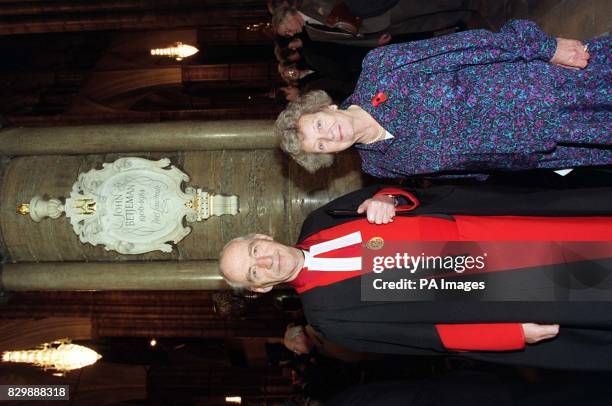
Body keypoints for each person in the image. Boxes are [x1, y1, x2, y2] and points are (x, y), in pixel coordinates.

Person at [219, 183, 612, 370]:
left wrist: (387, 198)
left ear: (262, 237)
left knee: (590, 229)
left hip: (488, 227)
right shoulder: (328, 318)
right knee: (596, 284)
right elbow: (422, 337)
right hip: (488, 288)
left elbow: (402, 192)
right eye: (255, 272)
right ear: (263, 287)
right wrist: (508, 334)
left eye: (256, 252)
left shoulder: (321, 220)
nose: (266, 262)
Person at [275, 19, 611, 178]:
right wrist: (536, 164)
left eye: (319, 124)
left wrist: (544, 48)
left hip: (553, 88)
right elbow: (465, 169)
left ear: (326, 107)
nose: (329, 135)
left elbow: (469, 45)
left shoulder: (382, 69)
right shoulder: (380, 165)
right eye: (320, 145)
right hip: (555, 143)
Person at [272, 1, 478, 47]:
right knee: (423, 24)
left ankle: (466, 2)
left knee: (423, 6)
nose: (291, 33)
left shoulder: (310, 3)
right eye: (287, 34)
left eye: (287, 30)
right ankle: (461, 16)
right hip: (376, 30)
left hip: (376, 10)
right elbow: (346, 42)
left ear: (288, 17)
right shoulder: (314, 34)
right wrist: (373, 43)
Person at [284, 324, 381, 362]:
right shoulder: (320, 344)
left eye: (295, 349)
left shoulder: (324, 333)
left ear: (299, 338)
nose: (298, 353)